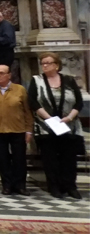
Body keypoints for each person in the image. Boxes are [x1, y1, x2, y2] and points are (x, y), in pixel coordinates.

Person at [28, 52, 84, 199]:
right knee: (50, 158)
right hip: (46, 125)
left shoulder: (69, 80)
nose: (45, 65)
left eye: (48, 63)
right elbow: (33, 101)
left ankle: (70, 186)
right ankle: (54, 186)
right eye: (43, 63)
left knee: (69, 158)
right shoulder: (37, 80)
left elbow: (79, 101)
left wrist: (69, 117)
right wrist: (49, 119)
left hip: (69, 124)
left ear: (56, 65)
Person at [0, 64, 33, 196]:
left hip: (18, 130)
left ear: (9, 75)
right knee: (2, 160)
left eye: (2, 73)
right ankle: (7, 185)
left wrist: (29, 130)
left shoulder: (20, 90)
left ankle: (20, 185)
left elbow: (27, 111)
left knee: (19, 159)